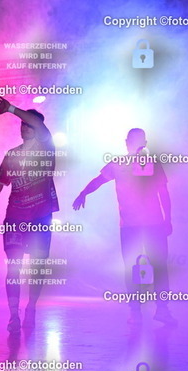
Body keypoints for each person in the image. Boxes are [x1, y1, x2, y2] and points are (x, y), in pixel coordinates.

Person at [72, 128, 176, 325]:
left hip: (154, 224)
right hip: (130, 225)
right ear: (126, 142)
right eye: (133, 140)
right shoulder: (118, 163)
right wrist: (83, 193)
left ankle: (162, 309)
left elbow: (163, 192)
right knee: (132, 267)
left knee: (159, 266)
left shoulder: (153, 163)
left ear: (145, 143)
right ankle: (135, 310)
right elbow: (99, 181)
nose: (136, 144)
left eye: (139, 140)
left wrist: (167, 219)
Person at [0, 97, 59, 333]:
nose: (24, 127)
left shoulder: (46, 147)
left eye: (29, 124)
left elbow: (37, 123)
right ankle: (13, 314)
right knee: (14, 267)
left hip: (40, 217)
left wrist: (12, 109)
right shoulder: (12, 154)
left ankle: (31, 307)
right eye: (22, 124)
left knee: (37, 267)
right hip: (15, 218)